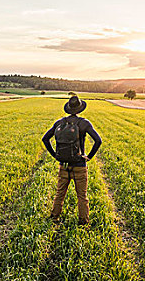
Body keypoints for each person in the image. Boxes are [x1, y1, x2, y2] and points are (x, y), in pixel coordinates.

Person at [42, 95, 102, 226]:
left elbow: (45, 139)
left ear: (68, 108)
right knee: (82, 196)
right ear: (80, 109)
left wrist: (55, 155)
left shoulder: (59, 123)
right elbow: (98, 140)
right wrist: (89, 156)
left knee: (60, 193)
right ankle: (83, 222)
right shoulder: (84, 123)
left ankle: (54, 217)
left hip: (63, 165)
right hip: (80, 165)